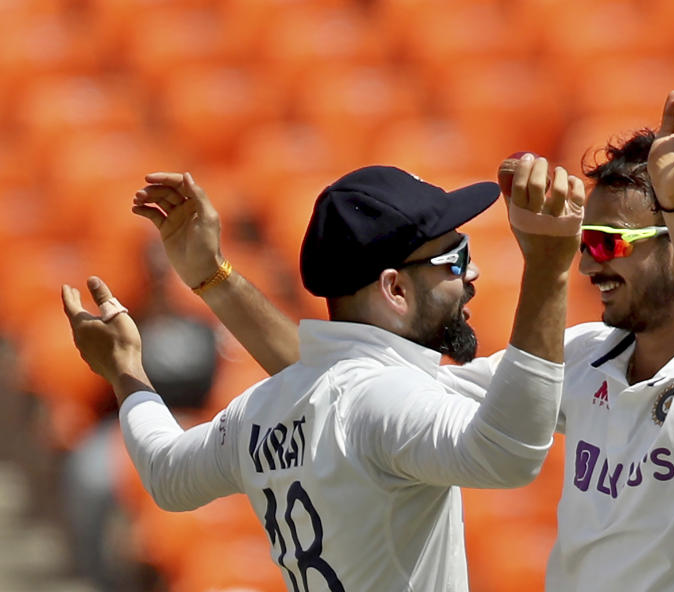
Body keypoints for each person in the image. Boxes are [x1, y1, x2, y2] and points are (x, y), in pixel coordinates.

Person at [131, 59, 674, 590]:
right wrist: (216, 281)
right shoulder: (585, 360)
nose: (591, 266)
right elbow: (347, 385)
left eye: (610, 244)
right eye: (586, 244)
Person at [63, 158, 586, 591]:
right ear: (395, 290)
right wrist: (549, 265)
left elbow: (165, 474)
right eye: (454, 259)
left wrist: (126, 372)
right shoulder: (383, 397)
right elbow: (509, 454)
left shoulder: (264, 407)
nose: (471, 275)